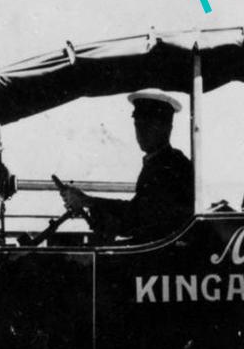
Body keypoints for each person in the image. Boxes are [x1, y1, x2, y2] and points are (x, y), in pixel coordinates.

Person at [58, 89, 194, 243]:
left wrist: (87, 201)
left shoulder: (171, 165)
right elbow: (138, 213)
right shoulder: (159, 161)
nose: (141, 132)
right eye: (138, 124)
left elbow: (139, 216)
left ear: (167, 128)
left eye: (149, 125)